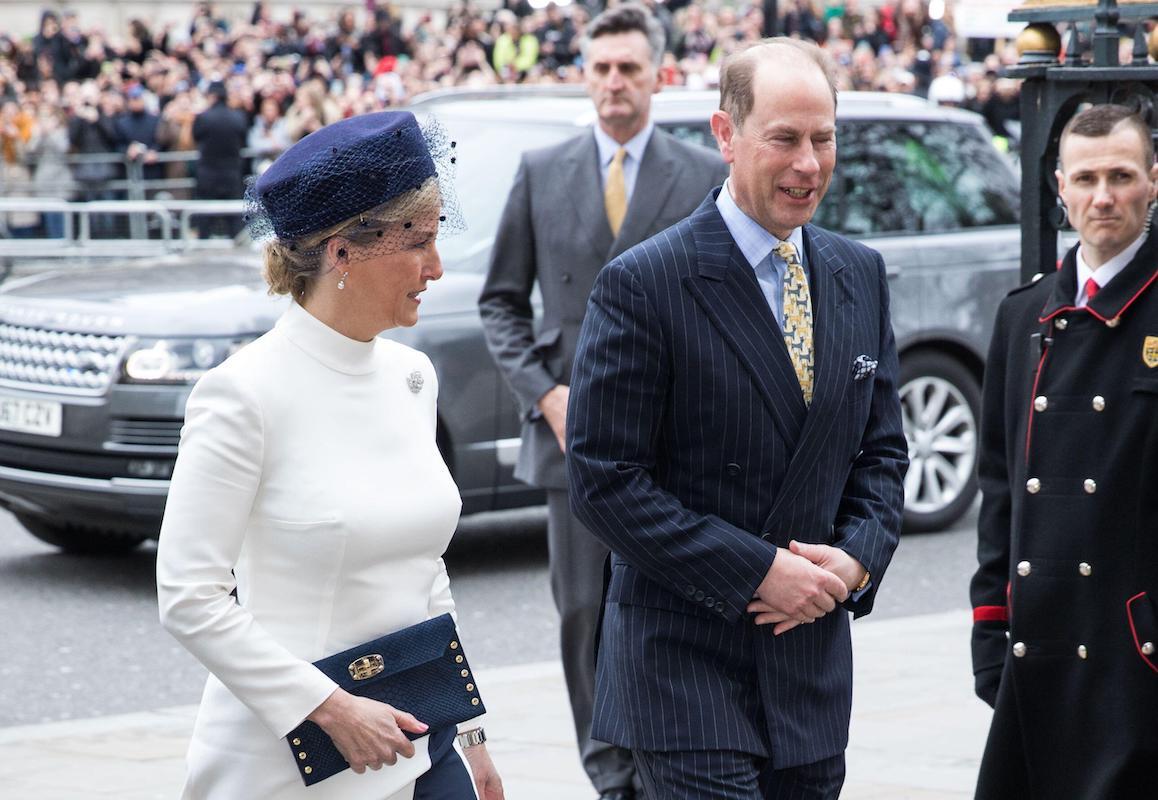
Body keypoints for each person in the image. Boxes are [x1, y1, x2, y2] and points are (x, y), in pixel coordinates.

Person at [567, 38, 908, 799]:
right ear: (726, 136)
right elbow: (602, 481)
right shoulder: (644, 282)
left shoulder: (859, 273)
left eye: (823, 139)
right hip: (682, 672)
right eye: (784, 139)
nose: (809, 165)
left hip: (809, 669)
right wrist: (758, 571)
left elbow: (883, 455)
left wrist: (853, 563)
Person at [156, 110, 503, 800]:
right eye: (420, 244)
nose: (436, 267)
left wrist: (470, 736)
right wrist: (331, 709)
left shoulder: (413, 377)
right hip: (289, 763)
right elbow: (189, 596)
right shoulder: (242, 394)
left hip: (421, 741)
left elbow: (424, 572)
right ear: (343, 251)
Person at [477, 4, 728, 798]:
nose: (614, 83)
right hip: (571, 438)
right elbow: (500, 303)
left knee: (672, 609)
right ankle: (608, 774)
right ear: (584, 75)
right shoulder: (542, 170)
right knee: (584, 613)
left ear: (658, 73)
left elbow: (728, 305)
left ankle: (667, 762)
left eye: (629, 67)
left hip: (674, 444)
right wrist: (545, 393)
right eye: (601, 68)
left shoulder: (702, 175)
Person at [969, 103, 1158, 799]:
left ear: (1154, 181)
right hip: (1038, 655)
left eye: (1121, 175)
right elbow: (999, 490)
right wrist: (991, 629)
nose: (1102, 196)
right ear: (1058, 187)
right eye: (1085, 178)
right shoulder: (1023, 314)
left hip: (1134, 664)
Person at [192, 80, 247, 237]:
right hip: (231, 174)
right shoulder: (238, 117)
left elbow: (196, 137)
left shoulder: (203, 118)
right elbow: (243, 138)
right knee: (234, 220)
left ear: (213, 96)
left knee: (205, 218)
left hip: (208, 174)